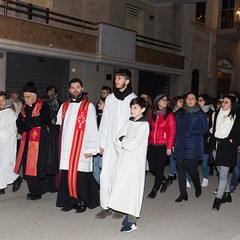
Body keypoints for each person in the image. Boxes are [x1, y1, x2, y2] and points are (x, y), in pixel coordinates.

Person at [95, 68, 137, 219]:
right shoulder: (110, 98)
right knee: (105, 175)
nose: (116, 80)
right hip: (110, 143)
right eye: (116, 78)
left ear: (127, 81)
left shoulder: (133, 99)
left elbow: (135, 124)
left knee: (121, 177)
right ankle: (105, 206)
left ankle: (119, 206)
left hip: (125, 146)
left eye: (119, 78)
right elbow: (104, 121)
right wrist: (101, 143)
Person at [56, 78, 99, 213]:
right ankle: (70, 201)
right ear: (69, 90)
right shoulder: (64, 106)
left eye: (78, 87)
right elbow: (59, 125)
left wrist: (91, 149)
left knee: (80, 177)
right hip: (66, 147)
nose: (75, 89)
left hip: (81, 147)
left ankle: (82, 201)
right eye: (73, 87)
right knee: (67, 175)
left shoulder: (88, 106)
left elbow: (92, 128)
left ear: (82, 88)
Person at [108, 97, 149, 233]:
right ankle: (126, 213)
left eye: (135, 108)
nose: (132, 110)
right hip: (124, 159)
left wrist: (123, 140)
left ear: (142, 110)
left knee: (133, 190)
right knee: (122, 187)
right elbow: (117, 141)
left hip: (135, 162)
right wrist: (123, 142)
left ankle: (132, 222)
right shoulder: (128, 122)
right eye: (131, 107)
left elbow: (131, 144)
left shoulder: (144, 126)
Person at [14, 82, 56, 200]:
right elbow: (19, 121)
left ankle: (39, 190)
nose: (25, 99)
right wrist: (26, 124)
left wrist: (27, 122)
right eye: (24, 97)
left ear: (34, 96)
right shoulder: (24, 108)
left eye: (28, 97)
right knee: (28, 164)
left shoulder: (43, 105)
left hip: (41, 141)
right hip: (27, 141)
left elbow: (43, 119)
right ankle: (32, 189)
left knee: (40, 165)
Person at [173, 92, 208, 202]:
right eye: (188, 98)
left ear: (196, 100)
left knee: (192, 168)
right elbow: (174, 128)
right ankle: (183, 193)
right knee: (181, 169)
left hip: (193, 145)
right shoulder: (180, 112)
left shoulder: (200, 113)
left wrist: (191, 132)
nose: (190, 100)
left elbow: (205, 129)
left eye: (192, 98)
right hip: (180, 144)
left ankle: (197, 186)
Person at [211, 95, 240, 211]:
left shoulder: (236, 118)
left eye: (226, 102)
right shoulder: (217, 113)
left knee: (223, 175)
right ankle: (227, 194)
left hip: (227, 147)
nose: (223, 103)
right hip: (216, 146)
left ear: (232, 104)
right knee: (219, 171)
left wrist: (234, 141)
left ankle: (217, 199)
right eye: (223, 101)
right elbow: (213, 128)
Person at [147, 93, 176, 199]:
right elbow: (148, 128)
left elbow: (172, 131)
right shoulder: (153, 113)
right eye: (163, 100)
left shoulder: (169, 114)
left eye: (166, 100)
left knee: (159, 169)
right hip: (152, 144)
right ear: (158, 102)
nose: (165, 101)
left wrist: (169, 146)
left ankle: (155, 189)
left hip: (163, 145)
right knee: (152, 168)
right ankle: (165, 180)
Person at [0, 91, 22, 195]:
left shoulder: (10, 112)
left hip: (7, 142)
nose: (1, 102)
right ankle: (1, 186)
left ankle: (16, 178)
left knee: (4, 165)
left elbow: (13, 128)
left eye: (3, 100)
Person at [160, 95, 184, 193]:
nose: (182, 103)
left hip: (177, 138)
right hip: (166, 138)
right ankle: (171, 174)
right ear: (175, 102)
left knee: (174, 157)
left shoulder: (183, 113)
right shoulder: (169, 112)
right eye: (180, 101)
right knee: (168, 157)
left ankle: (171, 175)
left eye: (183, 102)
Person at [198, 94, 215, 187]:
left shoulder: (212, 113)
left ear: (206, 101)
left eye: (201, 100)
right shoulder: (195, 111)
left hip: (206, 140)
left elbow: (214, 127)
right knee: (193, 160)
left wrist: (211, 136)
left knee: (205, 162)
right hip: (196, 139)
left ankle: (205, 178)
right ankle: (188, 179)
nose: (198, 102)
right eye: (198, 100)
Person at [93, 97, 106, 185]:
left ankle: (103, 181)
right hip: (96, 142)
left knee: (102, 164)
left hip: (103, 144)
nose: (98, 105)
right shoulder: (98, 115)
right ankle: (96, 182)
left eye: (100, 103)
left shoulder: (108, 117)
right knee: (95, 163)